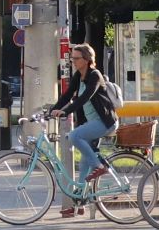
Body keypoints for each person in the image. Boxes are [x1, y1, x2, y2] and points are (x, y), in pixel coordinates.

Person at [44, 43, 117, 217]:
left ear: (86, 59)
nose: (73, 61)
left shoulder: (94, 75)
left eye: (76, 58)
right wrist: (52, 111)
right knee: (83, 168)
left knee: (74, 136)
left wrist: (65, 111)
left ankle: (99, 166)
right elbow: (68, 95)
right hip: (92, 124)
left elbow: (85, 97)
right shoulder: (79, 75)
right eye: (72, 58)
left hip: (104, 122)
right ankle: (79, 204)